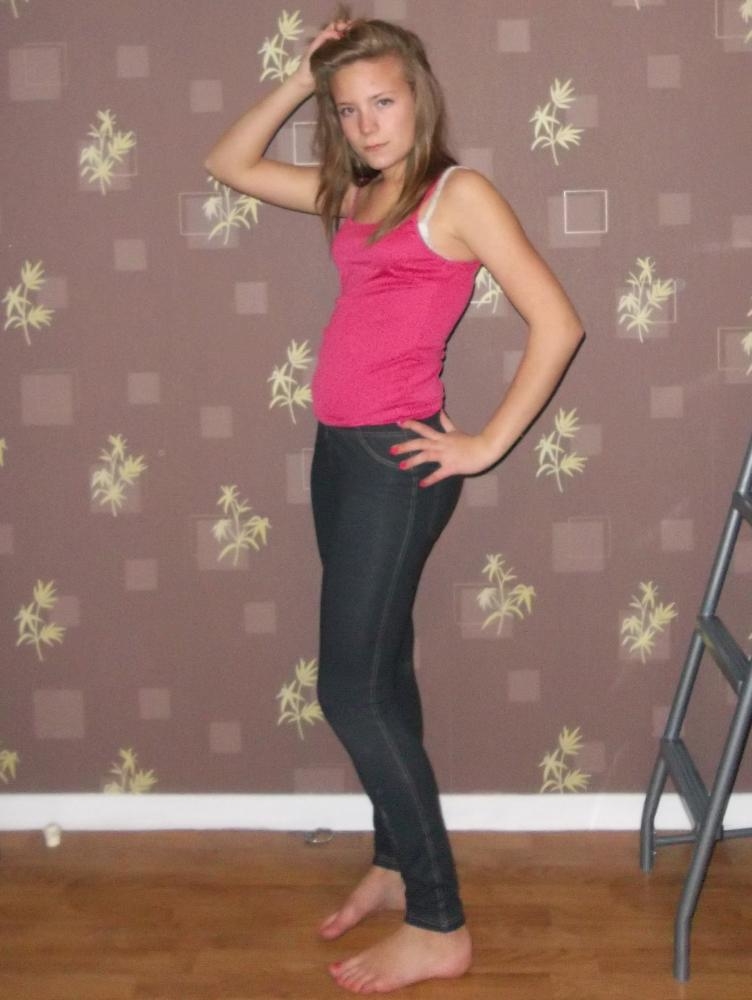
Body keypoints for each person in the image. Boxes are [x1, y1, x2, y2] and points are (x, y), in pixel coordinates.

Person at [206, 10, 584, 994]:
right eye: (348, 110)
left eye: (382, 101)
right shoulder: (355, 191)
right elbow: (229, 164)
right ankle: (390, 859)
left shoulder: (459, 195)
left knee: (348, 690)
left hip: (392, 465)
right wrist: (304, 75)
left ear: (419, 97)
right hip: (339, 455)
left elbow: (557, 321)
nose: (367, 123)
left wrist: (484, 446)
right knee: (381, 668)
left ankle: (438, 921)